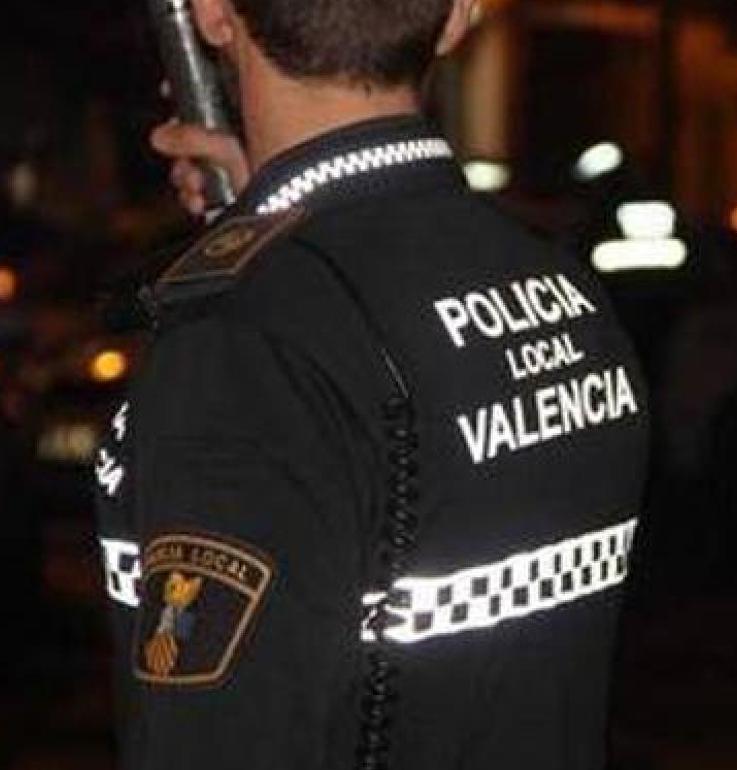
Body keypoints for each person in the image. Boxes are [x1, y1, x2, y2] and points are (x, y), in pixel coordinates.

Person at [93, 0, 649, 767]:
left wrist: (279, 259)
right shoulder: (564, 288)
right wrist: (276, 225)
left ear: (214, 13)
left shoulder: (245, 349)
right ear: (460, 16)